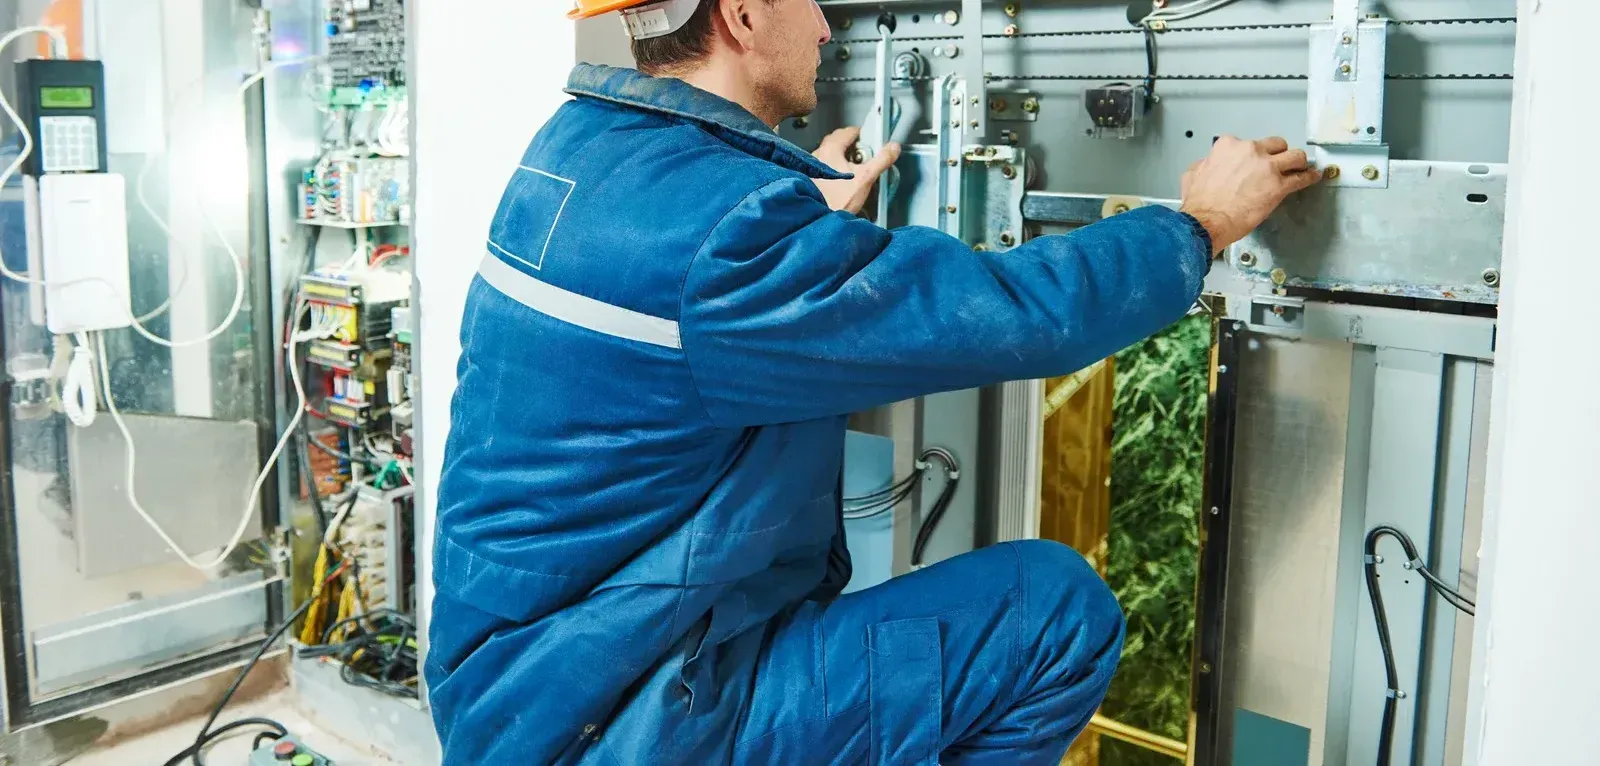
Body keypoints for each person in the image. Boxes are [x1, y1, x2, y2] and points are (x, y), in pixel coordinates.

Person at [424, 0, 1321, 762]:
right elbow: (1015, 314)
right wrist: (1199, 222)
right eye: (809, 0)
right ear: (740, 14)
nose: (825, 29)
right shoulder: (726, 241)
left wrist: (810, 212)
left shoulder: (578, 148)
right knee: (1055, 615)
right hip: (629, 718)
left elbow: (687, 293)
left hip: (516, 691)